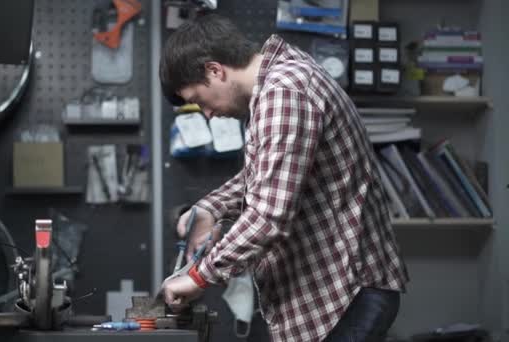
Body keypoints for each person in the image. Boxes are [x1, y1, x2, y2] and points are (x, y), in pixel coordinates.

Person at [159, 14, 409, 342]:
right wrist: (209, 208)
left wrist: (198, 276)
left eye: (198, 101)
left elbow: (268, 216)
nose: (207, 114)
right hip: (333, 292)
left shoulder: (285, 92)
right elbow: (265, 175)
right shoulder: (281, 83)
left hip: (345, 294)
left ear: (214, 70)